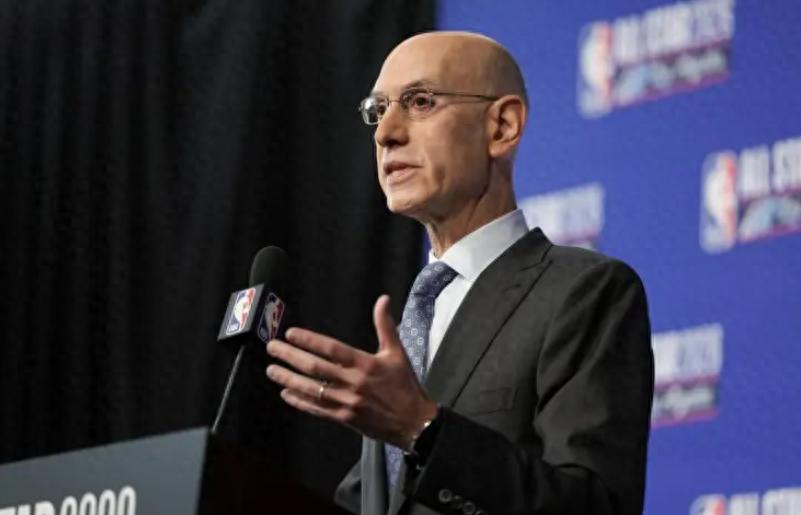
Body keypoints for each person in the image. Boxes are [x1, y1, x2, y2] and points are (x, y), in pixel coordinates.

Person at [265, 31, 654, 515]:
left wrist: (422, 428)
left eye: (420, 101)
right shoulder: (411, 322)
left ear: (502, 127)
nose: (385, 133)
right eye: (378, 110)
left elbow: (594, 507)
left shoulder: (583, 293)